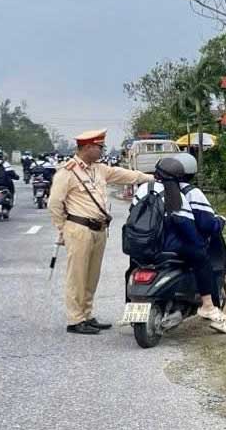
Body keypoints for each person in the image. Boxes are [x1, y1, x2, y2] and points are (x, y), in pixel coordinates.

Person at [48, 129, 154, 335]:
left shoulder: (99, 169)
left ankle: (86, 314)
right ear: (87, 147)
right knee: (77, 276)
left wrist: (152, 178)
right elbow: (54, 204)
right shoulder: (67, 172)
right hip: (78, 228)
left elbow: (126, 175)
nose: (102, 150)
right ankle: (75, 319)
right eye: (99, 147)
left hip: (99, 229)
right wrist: (62, 229)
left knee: (91, 275)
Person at [131, 154, 226, 333]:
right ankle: (207, 305)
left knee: (133, 266)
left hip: (143, 245)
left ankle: (131, 304)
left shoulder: (144, 188)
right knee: (201, 258)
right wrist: (199, 244)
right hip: (170, 246)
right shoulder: (180, 194)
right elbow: (191, 225)